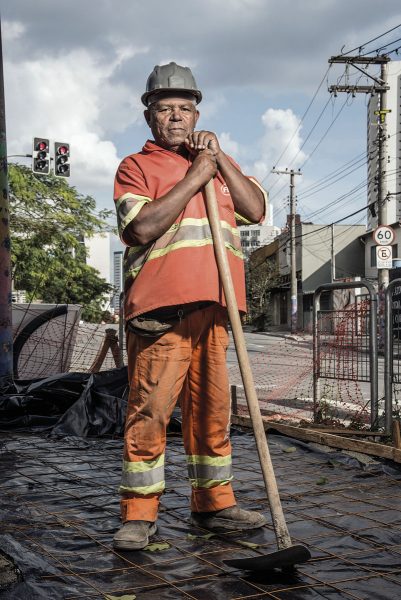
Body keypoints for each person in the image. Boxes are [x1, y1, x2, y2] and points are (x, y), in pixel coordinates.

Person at [113, 62, 268, 551]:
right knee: (151, 413)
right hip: (161, 312)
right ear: (150, 117)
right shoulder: (136, 168)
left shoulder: (218, 164)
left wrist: (217, 163)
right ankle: (139, 515)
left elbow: (257, 210)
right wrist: (195, 174)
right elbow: (139, 229)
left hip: (216, 312)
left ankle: (215, 505)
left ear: (197, 113)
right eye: (165, 109)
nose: (176, 117)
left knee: (212, 415)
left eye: (184, 108)